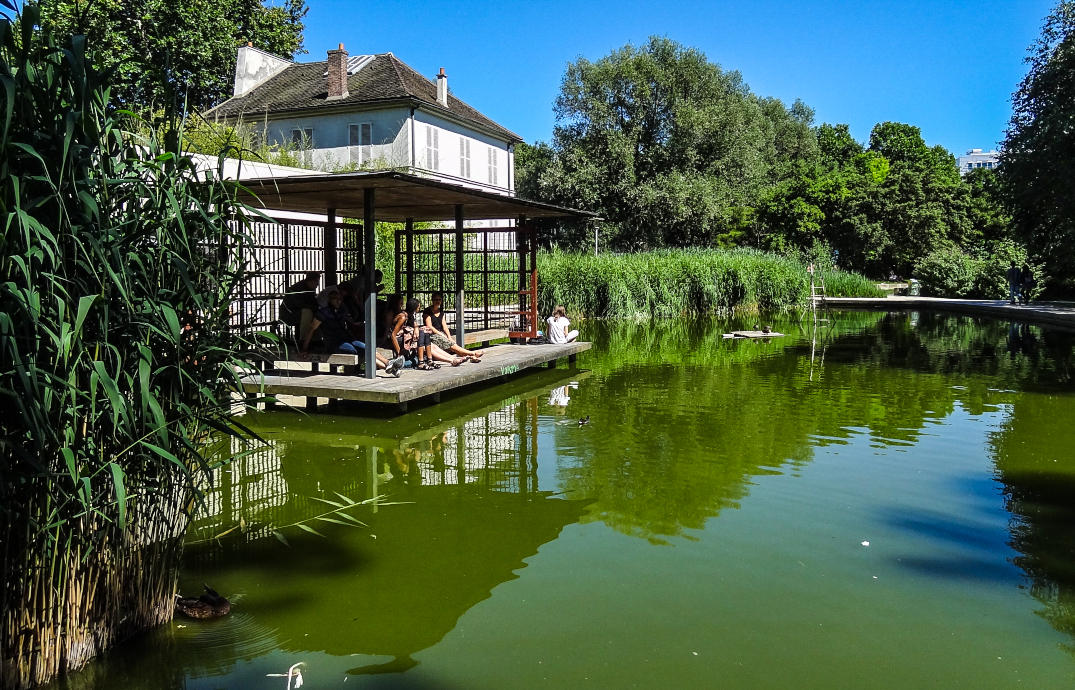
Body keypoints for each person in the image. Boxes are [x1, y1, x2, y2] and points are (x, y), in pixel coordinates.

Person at [302, 289, 404, 376]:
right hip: (334, 342)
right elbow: (312, 329)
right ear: (329, 300)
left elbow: (351, 322)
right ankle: (390, 366)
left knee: (366, 347)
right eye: (335, 299)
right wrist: (304, 348)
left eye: (340, 299)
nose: (338, 301)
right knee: (354, 350)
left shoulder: (342, 310)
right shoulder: (323, 313)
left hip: (347, 339)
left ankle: (388, 364)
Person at [423, 292, 483, 363]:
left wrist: (449, 336)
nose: (438, 301)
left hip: (440, 334)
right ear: (432, 300)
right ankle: (472, 353)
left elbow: (444, 326)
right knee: (452, 346)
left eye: (439, 299)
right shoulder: (427, 311)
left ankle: (471, 357)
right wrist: (441, 334)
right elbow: (429, 326)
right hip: (432, 335)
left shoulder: (440, 311)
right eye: (436, 300)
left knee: (452, 343)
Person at [280, 272, 319, 344]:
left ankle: (314, 339)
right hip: (289, 314)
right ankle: (304, 340)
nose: (317, 285)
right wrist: (314, 308)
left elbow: (313, 303)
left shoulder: (309, 288)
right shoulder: (297, 289)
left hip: (297, 313)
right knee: (307, 312)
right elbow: (299, 304)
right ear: (311, 281)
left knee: (319, 314)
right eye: (317, 282)